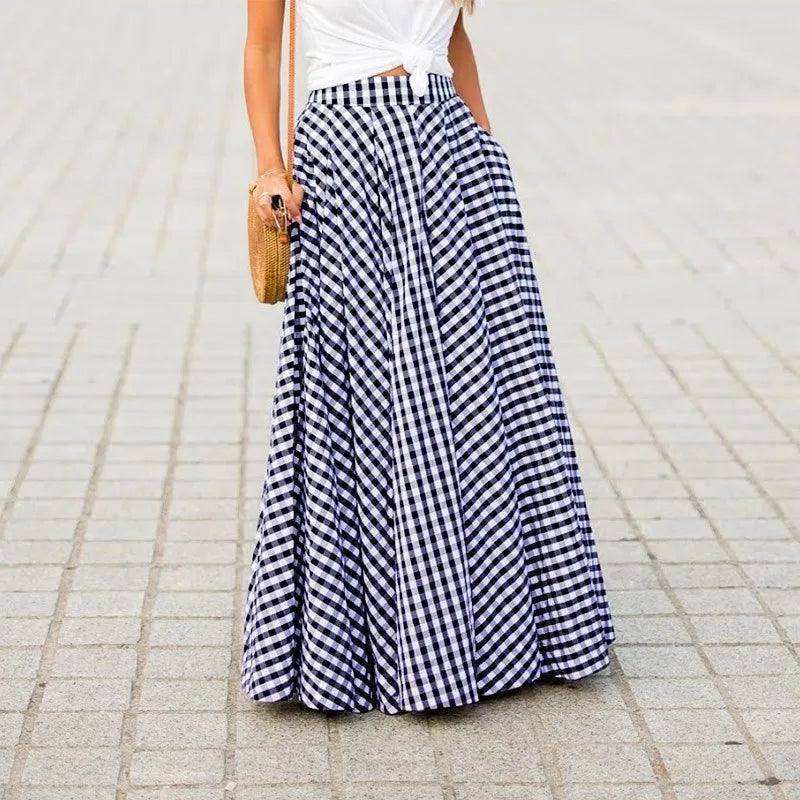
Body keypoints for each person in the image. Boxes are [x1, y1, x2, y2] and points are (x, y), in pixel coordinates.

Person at [241, 0, 615, 715]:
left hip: (452, 159)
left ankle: (498, 630)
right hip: (348, 156)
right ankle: (381, 637)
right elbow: (261, 50)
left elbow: (455, 37)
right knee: (374, 394)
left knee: (484, 393)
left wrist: (489, 147)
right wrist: (269, 167)